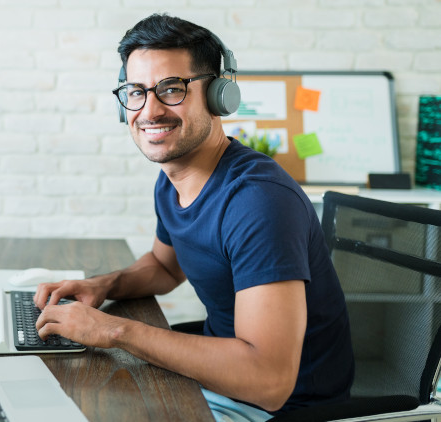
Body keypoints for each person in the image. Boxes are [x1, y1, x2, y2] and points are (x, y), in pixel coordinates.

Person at [33, 13, 353, 421]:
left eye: (171, 89)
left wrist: (113, 330)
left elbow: (269, 382)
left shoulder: (259, 202)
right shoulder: (172, 179)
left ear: (220, 96)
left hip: (278, 407)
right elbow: (165, 269)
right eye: (136, 91)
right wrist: (101, 285)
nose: (149, 110)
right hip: (218, 380)